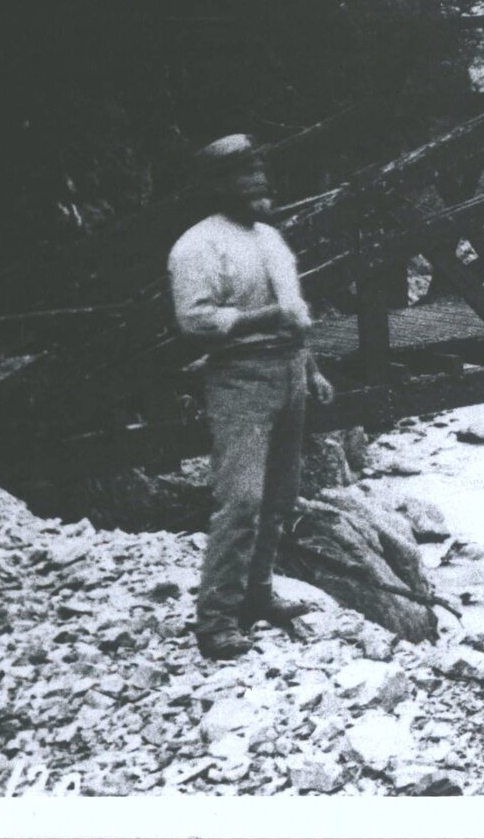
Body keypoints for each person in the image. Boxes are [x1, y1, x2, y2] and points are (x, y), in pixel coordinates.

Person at [167, 134, 335, 661]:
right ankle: (215, 622)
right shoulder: (196, 245)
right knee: (239, 501)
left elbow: (295, 311)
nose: (261, 184)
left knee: (281, 496)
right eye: (246, 175)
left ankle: (258, 596)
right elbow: (193, 322)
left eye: (261, 172)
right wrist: (265, 320)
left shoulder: (269, 237)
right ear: (219, 186)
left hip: (288, 373)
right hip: (239, 378)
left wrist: (312, 367)